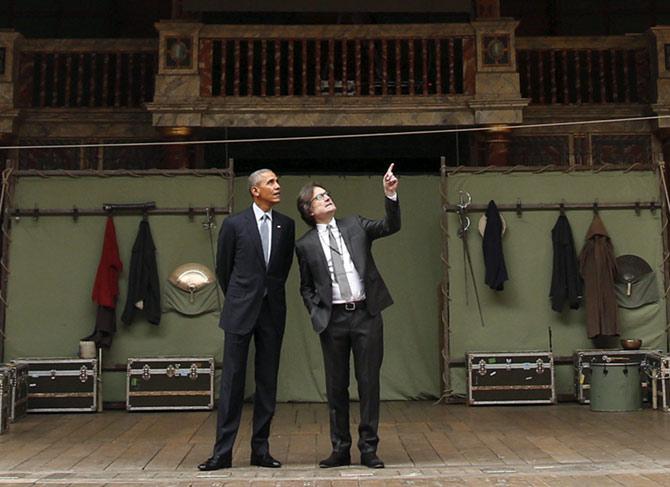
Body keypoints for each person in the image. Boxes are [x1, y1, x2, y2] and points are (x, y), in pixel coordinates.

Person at [294, 164, 400, 469]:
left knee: (368, 383)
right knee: (336, 386)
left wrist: (390, 194)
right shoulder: (305, 245)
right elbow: (305, 287)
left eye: (328, 194)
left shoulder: (355, 225)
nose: (327, 198)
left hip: (366, 314)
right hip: (333, 321)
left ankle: (369, 449)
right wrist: (317, 312)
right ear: (308, 209)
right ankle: (340, 448)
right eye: (319, 197)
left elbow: (389, 226)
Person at [199, 169, 295, 471]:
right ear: (255, 191)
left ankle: (261, 450)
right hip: (240, 310)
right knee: (232, 382)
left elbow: (281, 271)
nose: (277, 186)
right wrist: (243, 297)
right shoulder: (234, 224)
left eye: (277, 182)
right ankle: (222, 452)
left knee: (267, 382)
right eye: (271, 182)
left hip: (272, 311)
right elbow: (224, 269)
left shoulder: (286, 225)